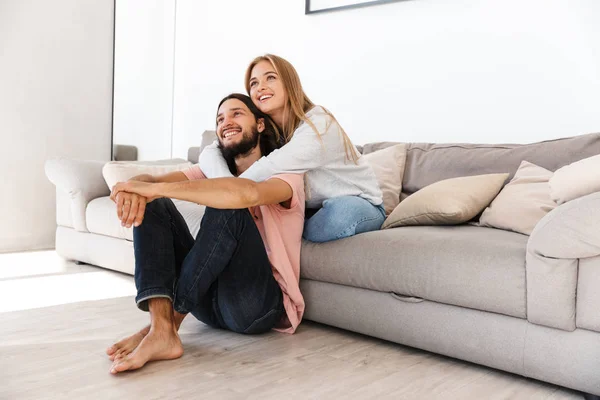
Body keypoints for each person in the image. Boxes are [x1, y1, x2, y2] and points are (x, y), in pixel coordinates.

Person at [105, 93, 305, 375]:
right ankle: (161, 327)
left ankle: (166, 327)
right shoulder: (212, 169)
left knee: (230, 206)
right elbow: (149, 181)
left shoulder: (287, 173)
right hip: (207, 304)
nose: (226, 122)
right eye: (220, 118)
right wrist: (133, 189)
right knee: (154, 204)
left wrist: (155, 189)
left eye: (237, 114)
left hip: (255, 307)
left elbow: (244, 193)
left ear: (260, 125)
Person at [199, 54, 385, 243]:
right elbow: (210, 151)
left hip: (360, 203)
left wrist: (229, 193)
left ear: (289, 83)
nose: (260, 87)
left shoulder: (319, 123)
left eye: (270, 77)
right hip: (312, 208)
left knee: (337, 216)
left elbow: (270, 166)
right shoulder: (266, 130)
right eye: (254, 83)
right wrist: (226, 183)